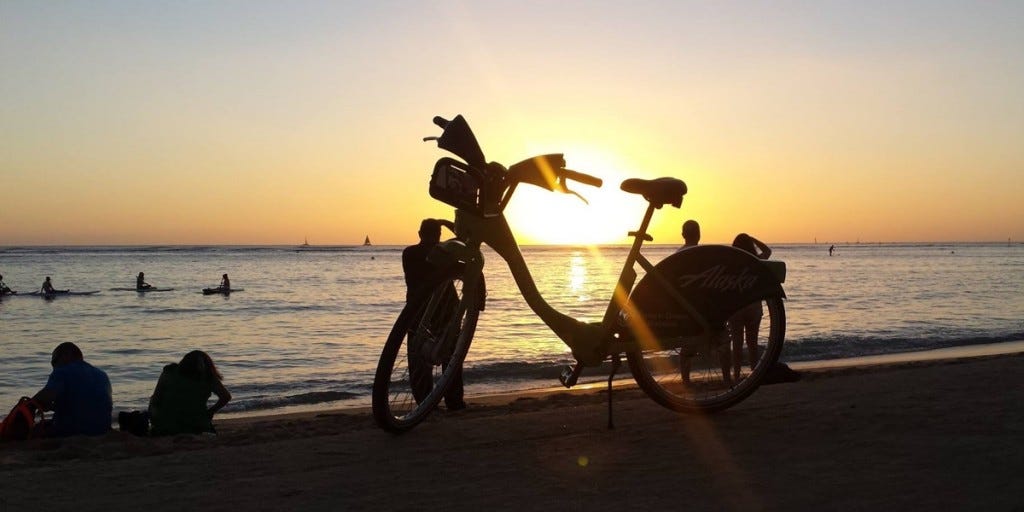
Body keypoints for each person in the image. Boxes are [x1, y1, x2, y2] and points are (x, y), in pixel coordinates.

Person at [402, 218, 466, 411]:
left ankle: (426, 403)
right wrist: (447, 223)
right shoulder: (445, 252)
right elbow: (466, 239)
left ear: (420, 233)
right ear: (438, 235)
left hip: (418, 310)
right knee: (451, 358)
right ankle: (453, 402)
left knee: (419, 360)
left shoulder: (411, 253)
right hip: (439, 309)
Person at [31, 342, 113, 437]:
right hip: (102, 430)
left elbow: (43, 398)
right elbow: (87, 403)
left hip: (72, 432)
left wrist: (30, 406)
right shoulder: (102, 374)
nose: (54, 368)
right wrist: (53, 407)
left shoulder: (62, 372)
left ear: (66, 355)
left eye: (54, 362)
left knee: (35, 430)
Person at [148, 350, 232, 436]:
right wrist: (211, 411)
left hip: (166, 425)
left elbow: (157, 397)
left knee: (153, 398)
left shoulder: (169, 372)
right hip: (196, 424)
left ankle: (156, 425)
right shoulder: (208, 377)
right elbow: (226, 397)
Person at [728, 233, 772, 381]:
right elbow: (768, 251)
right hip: (753, 306)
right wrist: (753, 239)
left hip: (736, 307)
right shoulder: (755, 260)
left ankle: (737, 375)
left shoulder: (730, 263)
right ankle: (754, 373)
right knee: (752, 342)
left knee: (737, 342)